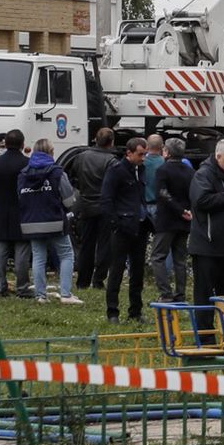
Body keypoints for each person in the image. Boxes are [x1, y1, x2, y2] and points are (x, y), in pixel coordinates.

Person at [188, 140, 224, 335]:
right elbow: (201, 201)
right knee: (204, 294)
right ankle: (205, 336)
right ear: (218, 156)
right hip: (207, 245)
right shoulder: (203, 175)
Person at [17, 139, 82, 304]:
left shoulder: (23, 174)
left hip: (30, 222)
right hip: (54, 220)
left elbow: (19, 197)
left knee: (38, 258)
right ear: (50, 152)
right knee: (66, 254)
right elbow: (68, 201)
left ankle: (40, 296)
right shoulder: (57, 173)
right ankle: (66, 294)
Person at [102, 137, 149, 324]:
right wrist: (115, 223)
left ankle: (135, 311)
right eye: (140, 154)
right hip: (123, 227)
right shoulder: (116, 171)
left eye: (145, 154)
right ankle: (113, 312)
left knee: (138, 271)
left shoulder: (141, 170)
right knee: (117, 270)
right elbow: (106, 199)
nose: (143, 158)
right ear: (129, 153)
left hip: (140, 225)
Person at [67, 128, 117, 290]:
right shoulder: (112, 161)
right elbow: (114, 185)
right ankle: (98, 280)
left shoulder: (80, 157)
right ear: (111, 142)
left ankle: (83, 281)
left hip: (86, 204)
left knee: (86, 244)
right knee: (105, 244)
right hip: (105, 206)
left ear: (95, 139)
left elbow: (73, 178)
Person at [0, 129, 32, 298]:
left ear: (5, 144)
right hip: (23, 214)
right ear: (22, 144)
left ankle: (0, 286)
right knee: (22, 254)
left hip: (0, 213)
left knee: (0, 254)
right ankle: (22, 288)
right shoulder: (27, 164)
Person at [151, 138, 194, 303]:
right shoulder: (190, 171)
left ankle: (166, 292)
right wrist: (187, 210)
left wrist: (178, 210)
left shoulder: (163, 170)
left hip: (167, 220)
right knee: (180, 259)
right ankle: (181, 293)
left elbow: (162, 193)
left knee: (158, 256)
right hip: (184, 220)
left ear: (166, 152)